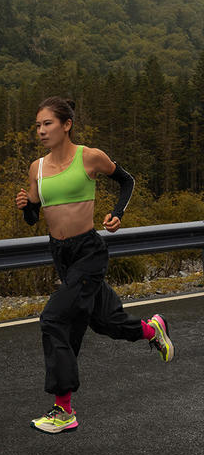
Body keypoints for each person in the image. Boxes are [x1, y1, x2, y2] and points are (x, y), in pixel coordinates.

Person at [15, 96, 174, 434]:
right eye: (38, 126)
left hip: (88, 252)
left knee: (55, 319)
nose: (41, 131)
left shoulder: (90, 157)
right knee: (106, 321)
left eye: (48, 124)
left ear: (66, 125)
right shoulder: (37, 168)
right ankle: (151, 330)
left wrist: (117, 213)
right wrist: (26, 206)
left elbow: (126, 180)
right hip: (61, 254)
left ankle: (63, 410)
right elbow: (33, 217)